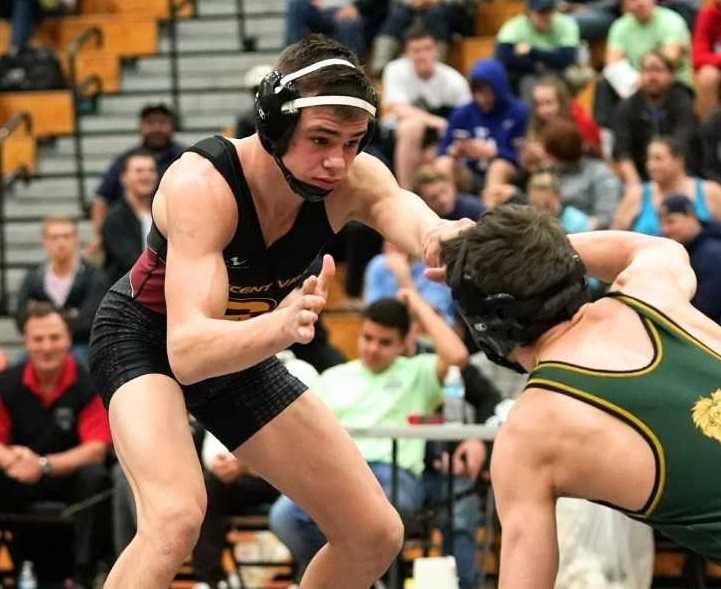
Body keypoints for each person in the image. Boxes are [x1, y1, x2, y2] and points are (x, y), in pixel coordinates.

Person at [88, 34, 471, 589]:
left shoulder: (351, 177)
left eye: (353, 142)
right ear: (273, 125)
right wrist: (280, 326)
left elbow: (398, 206)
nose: (336, 162)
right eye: (320, 140)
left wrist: (438, 234)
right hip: (148, 338)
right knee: (174, 518)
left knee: (373, 532)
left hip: (247, 344)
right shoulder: (203, 184)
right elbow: (189, 352)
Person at [440, 204, 721, 587]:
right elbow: (650, 247)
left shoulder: (531, 432)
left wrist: (496, 260)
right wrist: (531, 253)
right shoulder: (654, 293)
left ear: (487, 326)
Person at [269, 295, 485, 589]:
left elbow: (457, 355)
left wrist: (416, 303)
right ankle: (356, 580)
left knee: (376, 517)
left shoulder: (417, 372)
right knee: (284, 516)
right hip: (336, 472)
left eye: (385, 342)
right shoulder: (334, 377)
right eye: (367, 338)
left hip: (394, 476)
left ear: (403, 343)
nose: (372, 348)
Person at [0, 302, 111, 588]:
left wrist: (43, 465)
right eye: (38, 339)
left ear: (68, 340)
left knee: (96, 477)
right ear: (25, 342)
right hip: (18, 477)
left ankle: (84, 574)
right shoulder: (7, 383)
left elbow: (95, 449)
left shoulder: (90, 385)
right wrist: (13, 460)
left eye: (55, 337)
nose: (47, 346)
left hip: (69, 479)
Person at [381, 23, 471, 189]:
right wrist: (436, 121)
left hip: (436, 137)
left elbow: (467, 117)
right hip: (395, 136)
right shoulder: (396, 70)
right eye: (416, 50)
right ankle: (405, 192)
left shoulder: (454, 80)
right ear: (406, 54)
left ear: (436, 50)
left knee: (440, 154)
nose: (422, 55)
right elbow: (398, 108)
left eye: (427, 49)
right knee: (412, 126)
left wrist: (440, 144)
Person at [88, 103, 184, 256]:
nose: (157, 128)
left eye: (162, 122)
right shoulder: (124, 159)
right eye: (151, 123)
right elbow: (101, 198)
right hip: (126, 230)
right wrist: (99, 236)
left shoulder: (185, 158)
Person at [14, 216, 106, 364]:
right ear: (44, 241)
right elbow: (20, 319)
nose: (60, 242)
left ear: (76, 239)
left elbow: (90, 321)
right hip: (40, 345)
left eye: (66, 236)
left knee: (82, 366)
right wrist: (71, 314)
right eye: (54, 237)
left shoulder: (94, 277)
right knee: (16, 367)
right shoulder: (33, 278)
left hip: (80, 345)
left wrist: (41, 312)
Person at [436, 58, 529, 193]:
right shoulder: (462, 113)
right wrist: (454, 152)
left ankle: (490, 209)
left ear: (499, 89)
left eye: (487, 92)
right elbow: (442, 149)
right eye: (477, 92)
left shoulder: (519, 112)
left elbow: (523, 154)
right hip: (468, 171)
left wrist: (494, 152)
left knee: (498, 167)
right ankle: (443, 210)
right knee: (443, 163)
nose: (482, 98)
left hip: (506, 170)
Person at [612, 50, 698, 186]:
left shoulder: (683, 101)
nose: (652, 77)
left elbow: (682, 144)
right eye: (646, 71)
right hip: (640, 178)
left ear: (671, 74)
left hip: (680, 176)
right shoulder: (626, 107)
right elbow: (622, 153)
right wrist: (636, 188)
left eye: (658, 70)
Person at [613, 136, 721, 233]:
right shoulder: (636, 195)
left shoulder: (710, 191)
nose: (651, 166)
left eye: (658, 159)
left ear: (678, 160)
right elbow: (615, 238)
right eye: (648, 159)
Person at [495, 0, 581, 97]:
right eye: (541, 12)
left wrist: (532, 52)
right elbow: (503, 58)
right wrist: (537, 65)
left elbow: (567, 58)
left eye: (549, 11)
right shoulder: (513, 26)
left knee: (578, 76)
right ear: (529, 13)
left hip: (558, 71)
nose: (546, 16)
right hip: (526, 73)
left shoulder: (566, 23)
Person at [659, 194, 721, 324]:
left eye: (671, 222)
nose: (665, 230)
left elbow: (706, 309)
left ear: (691, 216)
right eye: (662, 224)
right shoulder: (681, 251)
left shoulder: (712, 253)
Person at [101, 148, 158, 285]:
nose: (146, 176)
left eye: (151, 170)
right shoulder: (114, 218)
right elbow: (131, 262)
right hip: (127, 294)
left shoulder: (164, 212)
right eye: (139, 171)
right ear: (123, 178)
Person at [692, 0, 721, 121]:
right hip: (717, 67)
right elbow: (698, 57)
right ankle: (708, 133)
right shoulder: (707, 14)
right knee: (707, 76)